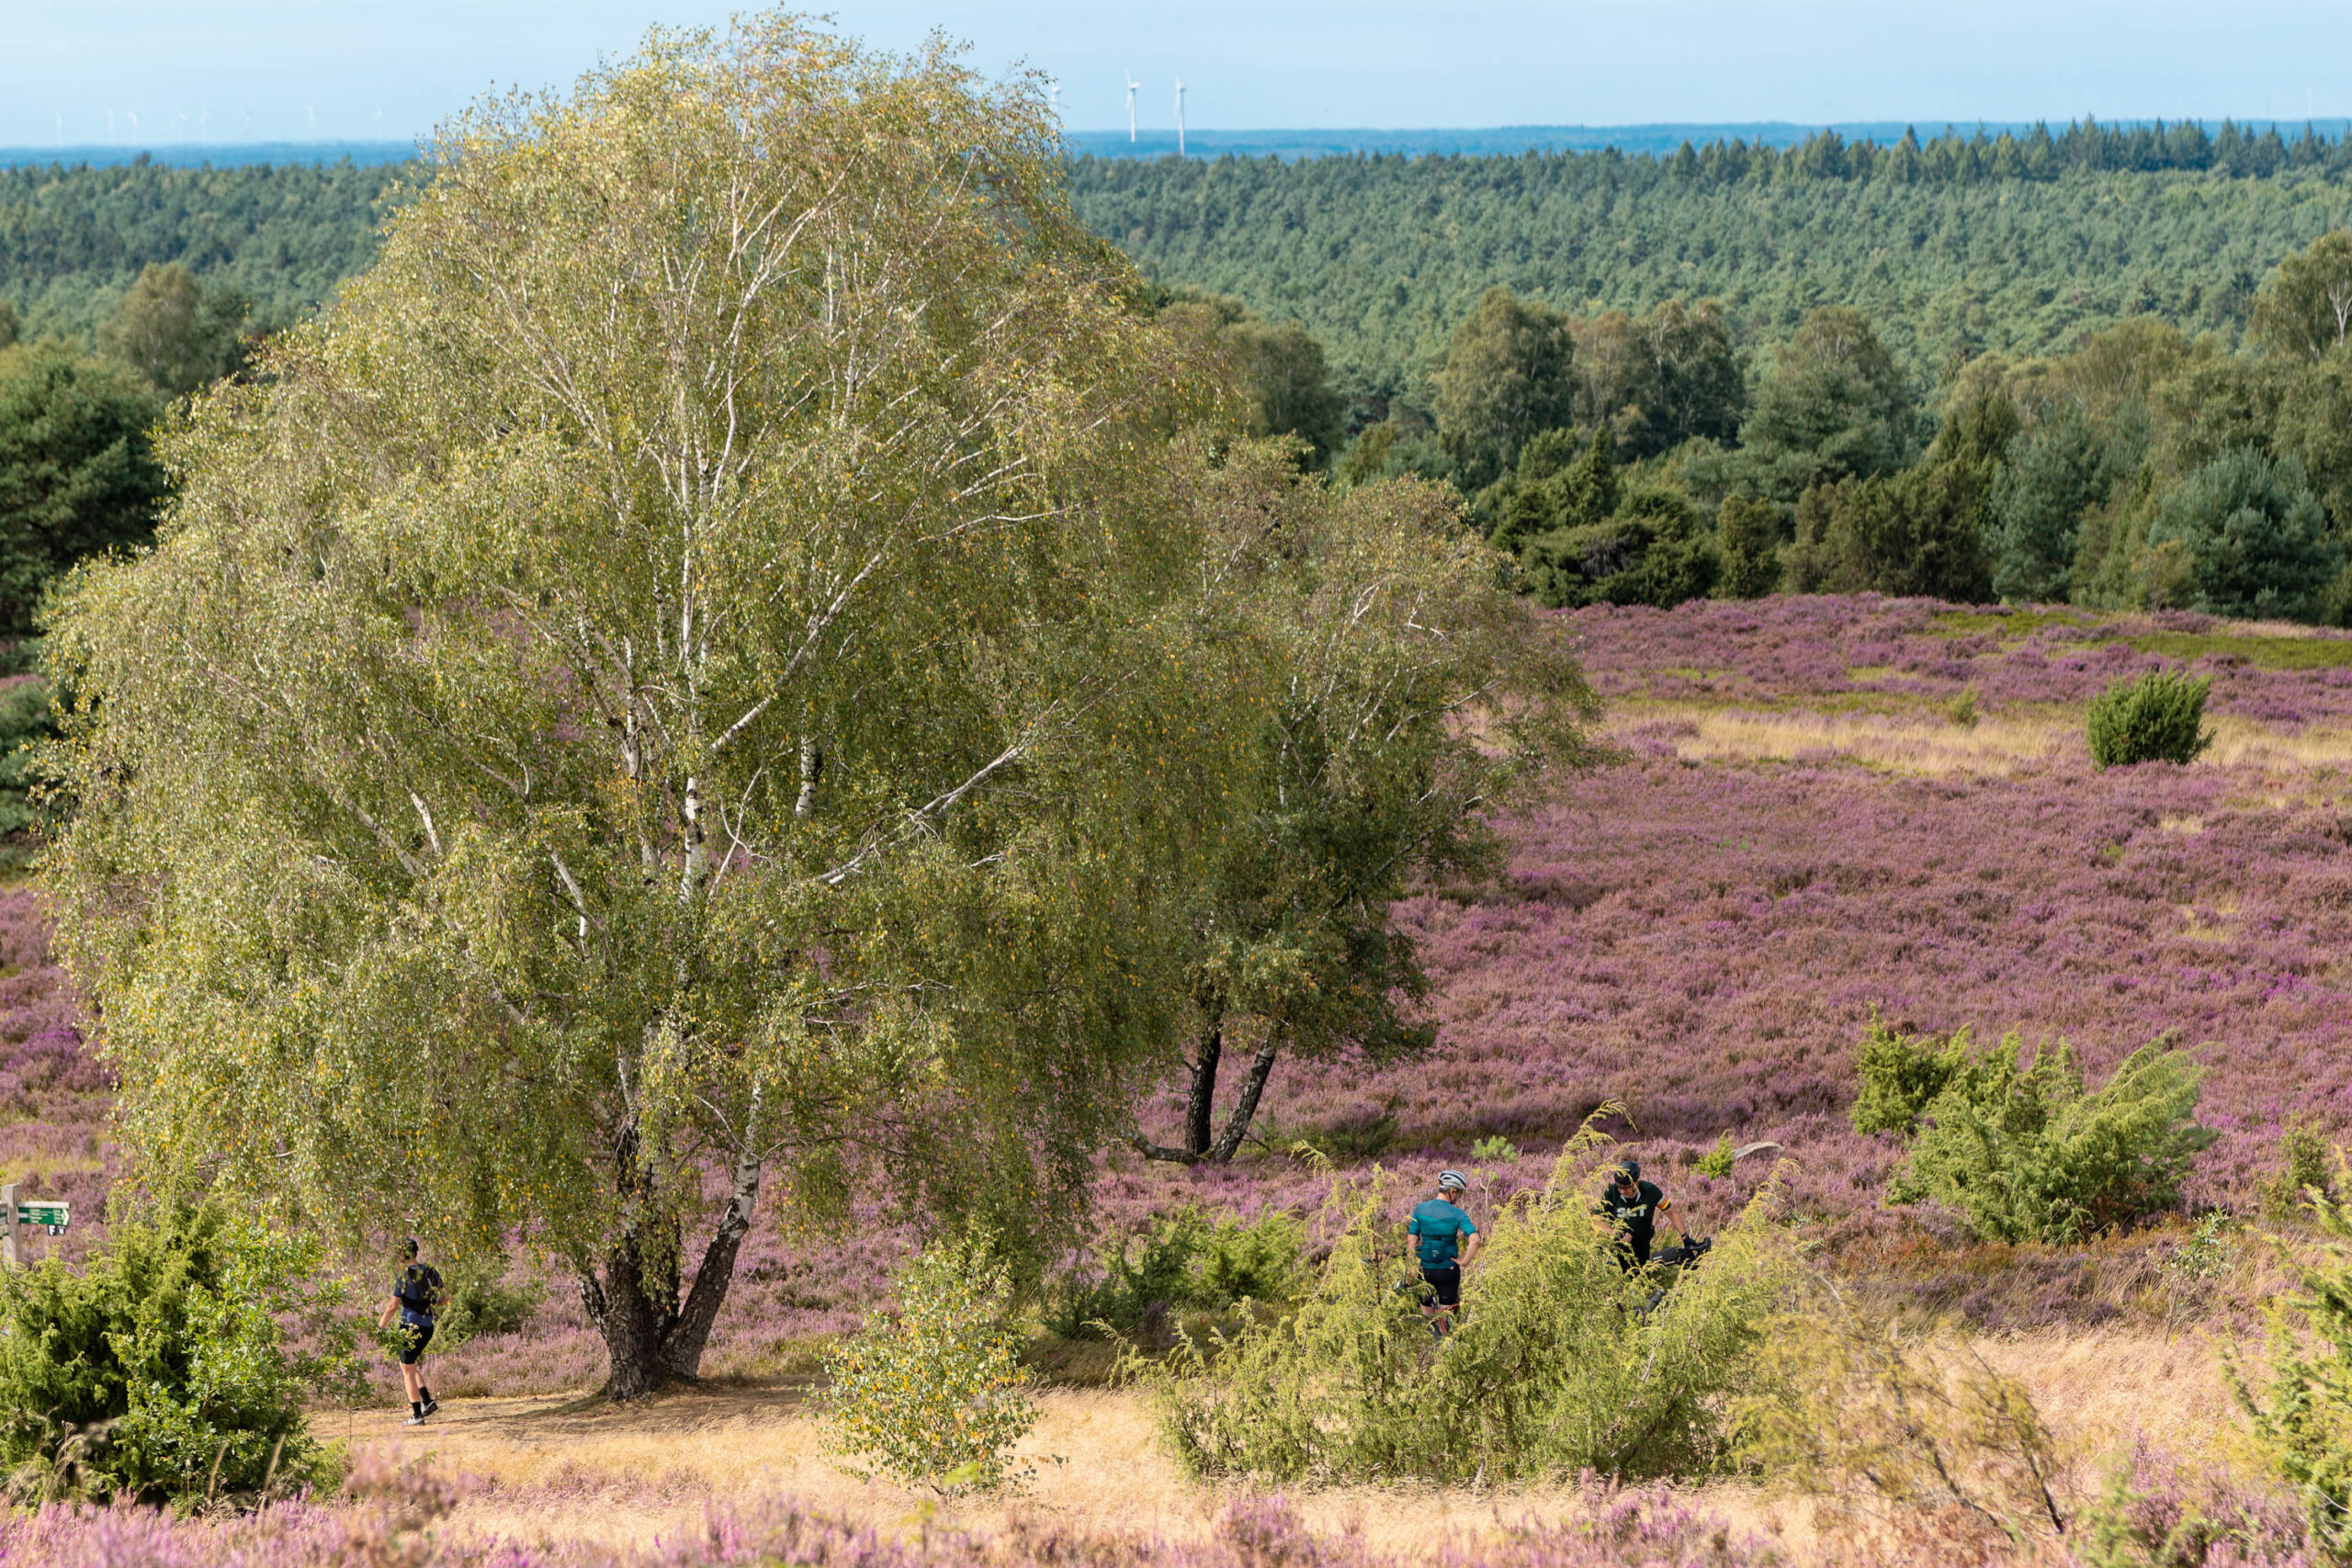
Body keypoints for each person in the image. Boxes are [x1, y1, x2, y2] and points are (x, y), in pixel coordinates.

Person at [378, 1237, 445, 1425]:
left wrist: (379, 1327)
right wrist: (430, 1304)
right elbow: (444, 1298)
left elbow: (392, 1306)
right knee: (408, 1364)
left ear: (402, 1254)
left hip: (410, 1327)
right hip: (427, 1327)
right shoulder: (430, 1271)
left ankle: (416, 1416)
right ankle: (427, 1402)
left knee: (407, 1369)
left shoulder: (403, 1276)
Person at [1406, 1169, 1480, 1334]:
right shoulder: (1458, 1214)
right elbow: (1475, 1240)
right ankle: (1448, 1347)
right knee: (1448, 1319)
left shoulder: (1420, 1209)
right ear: (1451, 1191)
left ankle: (1432, 1345)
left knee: (1428, 1315)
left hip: (1425, 1270)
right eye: (1458, 1193)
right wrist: (1464, 1261)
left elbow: (1412, 1240)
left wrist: (1412, 1267)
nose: (1458, 1197)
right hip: (1448, 1270)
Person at [1594, 1158, 1675, 1270]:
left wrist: (1685, 1237)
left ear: (1635, 1183)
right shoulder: (1611, 1192)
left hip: (1641, 1248)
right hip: (1617, 1249)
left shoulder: (1650, 1190)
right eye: (1619, 1187)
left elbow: (1672, 1213)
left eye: (1626, 1187)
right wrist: (1615, 1233)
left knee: (1640, 1281)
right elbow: (1596, 1220)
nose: (1622, 1191)